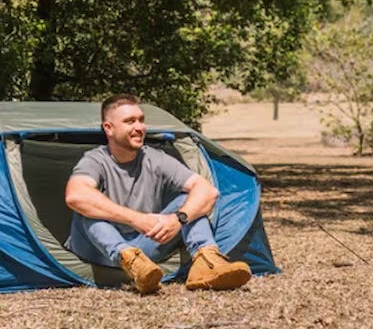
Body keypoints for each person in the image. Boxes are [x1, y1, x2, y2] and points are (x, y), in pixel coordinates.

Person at [65, 94, 251, 294]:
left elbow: (208, 191)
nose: (139, 127)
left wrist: (177, 219)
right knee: (89, 211)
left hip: (146, 249)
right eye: (129, 121)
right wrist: (138, 220)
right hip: (96, 250)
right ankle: (130, 259)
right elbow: (76, 196)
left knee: (190, 202)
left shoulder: (155, 158)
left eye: (141, 120)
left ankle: (207, 264)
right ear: (108, 128)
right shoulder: (95, 160)